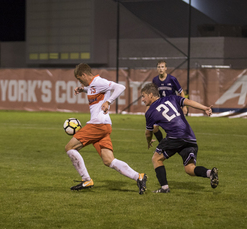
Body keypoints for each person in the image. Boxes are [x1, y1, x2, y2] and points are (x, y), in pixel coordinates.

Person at [65, 63, 147, 194]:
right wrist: (82, 89)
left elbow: (121, 87)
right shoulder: (92, 86)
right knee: (108, 160)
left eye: (80, 79)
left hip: (97, 124)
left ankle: (86, 179)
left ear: (84, 74)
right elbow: (95, 91)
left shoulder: (99, 82)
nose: (80, 82)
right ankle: (139, 176)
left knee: (70, 148)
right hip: (104, 126)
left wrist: (109, 102)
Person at [141, 83, 219, 193]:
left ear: (150, 95)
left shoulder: (150, 112)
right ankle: (210, 173)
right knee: (189, 168)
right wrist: (204, 108)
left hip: (175, 137)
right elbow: (188, 102)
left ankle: (164, 188)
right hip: (189, 136)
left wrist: (149, 142)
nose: (142, 99)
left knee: (156, 159)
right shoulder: (172, 98)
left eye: (143, 96)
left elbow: (149, 133)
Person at [150, 60, 188, 143]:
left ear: (166, 68)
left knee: (175, 128)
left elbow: (181, 92)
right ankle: (162, 145)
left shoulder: (172, 79)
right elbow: (154, 94)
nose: (161, 69)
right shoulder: (155, 80)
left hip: (173, 107)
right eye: (159, 67)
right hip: (161, 107)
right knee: (154, 127)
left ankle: (182, 143)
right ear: (157, 68)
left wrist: (184, 106)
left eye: (162, 67)